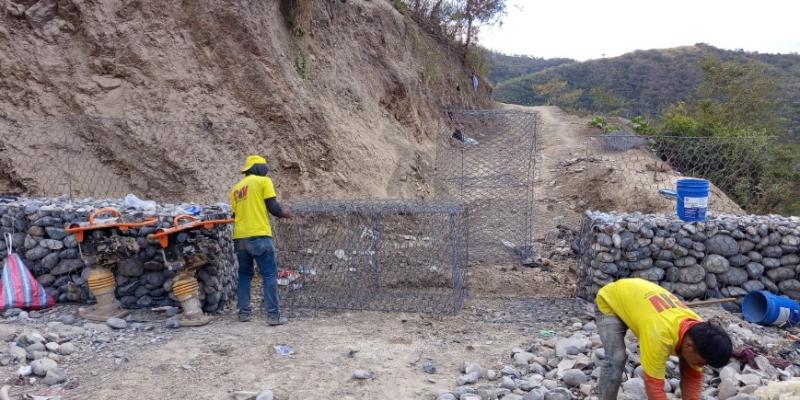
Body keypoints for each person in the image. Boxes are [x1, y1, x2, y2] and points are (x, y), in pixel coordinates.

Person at [595, 278, 733, 400]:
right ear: (689, 345)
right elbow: (654, 387)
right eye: (701, 363)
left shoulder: (699, 331)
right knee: (616, 359)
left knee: (690, 362)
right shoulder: (659, 336)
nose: (700, 366)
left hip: (636, 297)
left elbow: (692, 378)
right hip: (610, 301)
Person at [230, 155, 293, 325]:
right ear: (257, 168)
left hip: (240, 237)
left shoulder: (236, 189)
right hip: (260, 235)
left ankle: (244, 313)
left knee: (244, 274)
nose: (266, 169)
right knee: (269, 274)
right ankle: (273, 316)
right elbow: (272, 206)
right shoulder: (263, 182)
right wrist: (284, 213)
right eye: (264, 166)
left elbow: (234, 215)